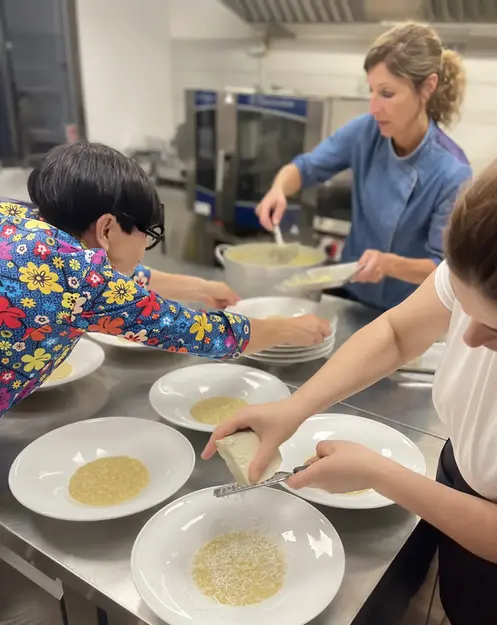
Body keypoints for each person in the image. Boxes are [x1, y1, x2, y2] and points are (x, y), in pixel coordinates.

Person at [204, 159, 497, 623]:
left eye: (495, 330)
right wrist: (294, 408)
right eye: (463, 307)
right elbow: (398, 333)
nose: (469, 338)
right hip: (459, 479)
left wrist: (379, 473)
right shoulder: (482, 258)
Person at [0, 141, 330, 416]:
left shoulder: (17, 219)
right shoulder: (83, 277)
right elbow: (207, 334)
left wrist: (202, 287)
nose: (144, 249)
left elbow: (119, 280)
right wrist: (287, 329)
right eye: (147, 235)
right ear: (107, 228)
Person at [256, 22, 472, 311]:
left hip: (408, 310)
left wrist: (389, 264)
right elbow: (306, 167)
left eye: (387, 93)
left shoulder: (452, 172)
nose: (373, 108)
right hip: (351, 293)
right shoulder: (365, 132)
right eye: (371, 91)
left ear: (427, 88)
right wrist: (279, 189)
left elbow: (443, 269)